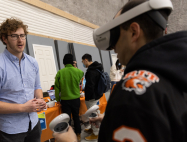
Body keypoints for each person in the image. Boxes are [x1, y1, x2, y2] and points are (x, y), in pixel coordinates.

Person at [53, 0, 187, 141]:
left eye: (116, 34)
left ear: (134, 32)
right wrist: (113, 119)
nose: (113, 47)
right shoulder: (174, 77)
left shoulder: (131, 94)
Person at [0, 18, 46, 142]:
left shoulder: (33, 63)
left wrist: (40, 99)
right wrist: (23, 108)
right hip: (9, 132)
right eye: (14, 36)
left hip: (34, 124)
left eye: (22, 35)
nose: (20, 40)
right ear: (5, 39)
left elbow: (37, 86)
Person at [54, 54, 84, 142]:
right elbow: (82, 73)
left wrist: (57, 99)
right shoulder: (77, 71)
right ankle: (78, 134)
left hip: (65, 100)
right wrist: (74, 66)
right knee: (76, 117)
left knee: (67, 119)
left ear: (64, 63)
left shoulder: (60, 72)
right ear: (72, 62)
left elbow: (56, 88)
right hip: (75, 99)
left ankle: (68, 136)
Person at [81, 53, 103, 141]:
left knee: (93, 114)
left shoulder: (91, 71)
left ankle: (96, 133)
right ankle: (93, 129)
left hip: (91, 96)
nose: (83, 64)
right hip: (96, 95)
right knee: (94, 112)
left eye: (83, 62)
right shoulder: (97, 68)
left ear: (86, 60)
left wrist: (87, 96)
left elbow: (90, 86)